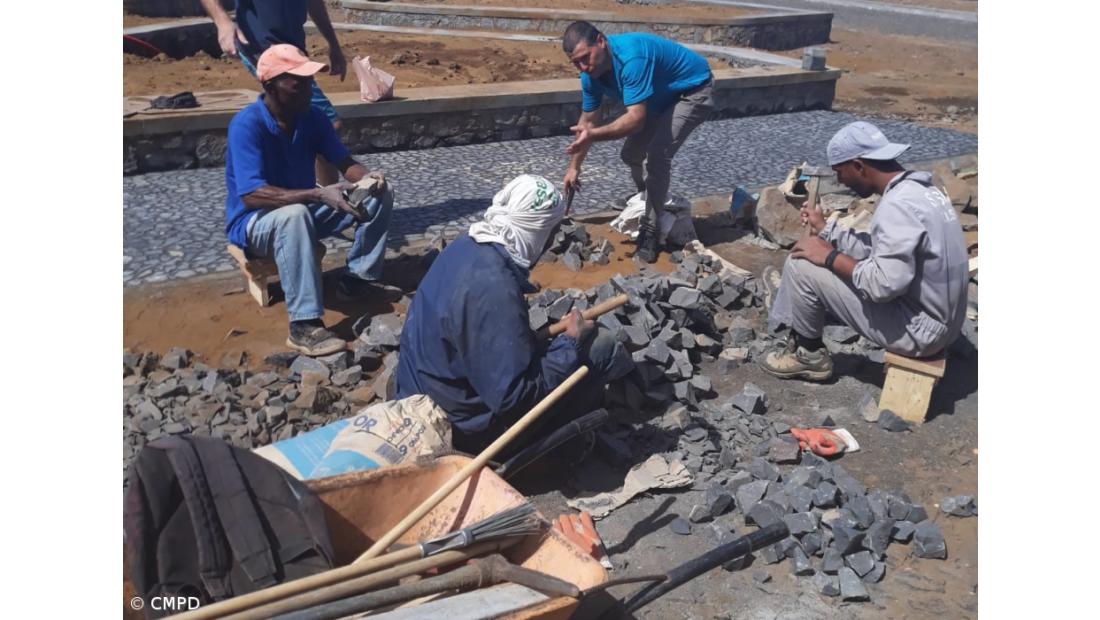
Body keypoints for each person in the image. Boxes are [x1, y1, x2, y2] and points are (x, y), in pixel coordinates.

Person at [396, 175, 634, 457]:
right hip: (462, 429)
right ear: (537, 231)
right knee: (599, 346)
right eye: (552, 230)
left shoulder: (466, 245)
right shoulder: (495, 288)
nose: (552, 242)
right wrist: (570, 342)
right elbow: (515, 399)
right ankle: (562, 450)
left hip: (421, 394)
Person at [760, 121, 969, 381]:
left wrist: (829, 256)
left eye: (840, 171)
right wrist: (826, 229)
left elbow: (881, 286)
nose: (839, 180)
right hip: (945, 322)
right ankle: (799, 322)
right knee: (818, 255)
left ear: (859, 166)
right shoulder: (921, 191)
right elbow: (880, 250)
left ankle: (809, 355)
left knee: (801, 264)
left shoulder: (897, 206)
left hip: (921, 333)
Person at [225, 44, 394, 356]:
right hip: (255, 223)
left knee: (376, 196)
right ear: (270, 86)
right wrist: (318, 193)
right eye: (298, 82)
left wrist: (370, 179)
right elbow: (251, 195)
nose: (307, 89)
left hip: (303, 209)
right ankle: (304, 326)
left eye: (309, 81)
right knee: (294, 216)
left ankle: (357, 280)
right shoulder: (247, 125)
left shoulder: (312, 118)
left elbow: (345, 163)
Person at [560, 21, 714, 263]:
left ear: (601, 41)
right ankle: (647, 198)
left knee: (657, 154)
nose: (582, 67)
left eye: (585, 57)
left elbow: (635, 120)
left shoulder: (632, 58)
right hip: (659, 98)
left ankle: (651, 230)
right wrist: (573, 168)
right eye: (575, 62)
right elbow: (587, 122)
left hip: (692, 90)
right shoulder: (589, 76)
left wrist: (595, 135)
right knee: (631, 155)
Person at [200, 0, 347, 185]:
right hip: (261, 46)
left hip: (293, 48)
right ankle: (324, 198)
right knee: (328, 124)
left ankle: (304, 192)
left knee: (305, 122)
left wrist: (333, 43)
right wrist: (222, 21)